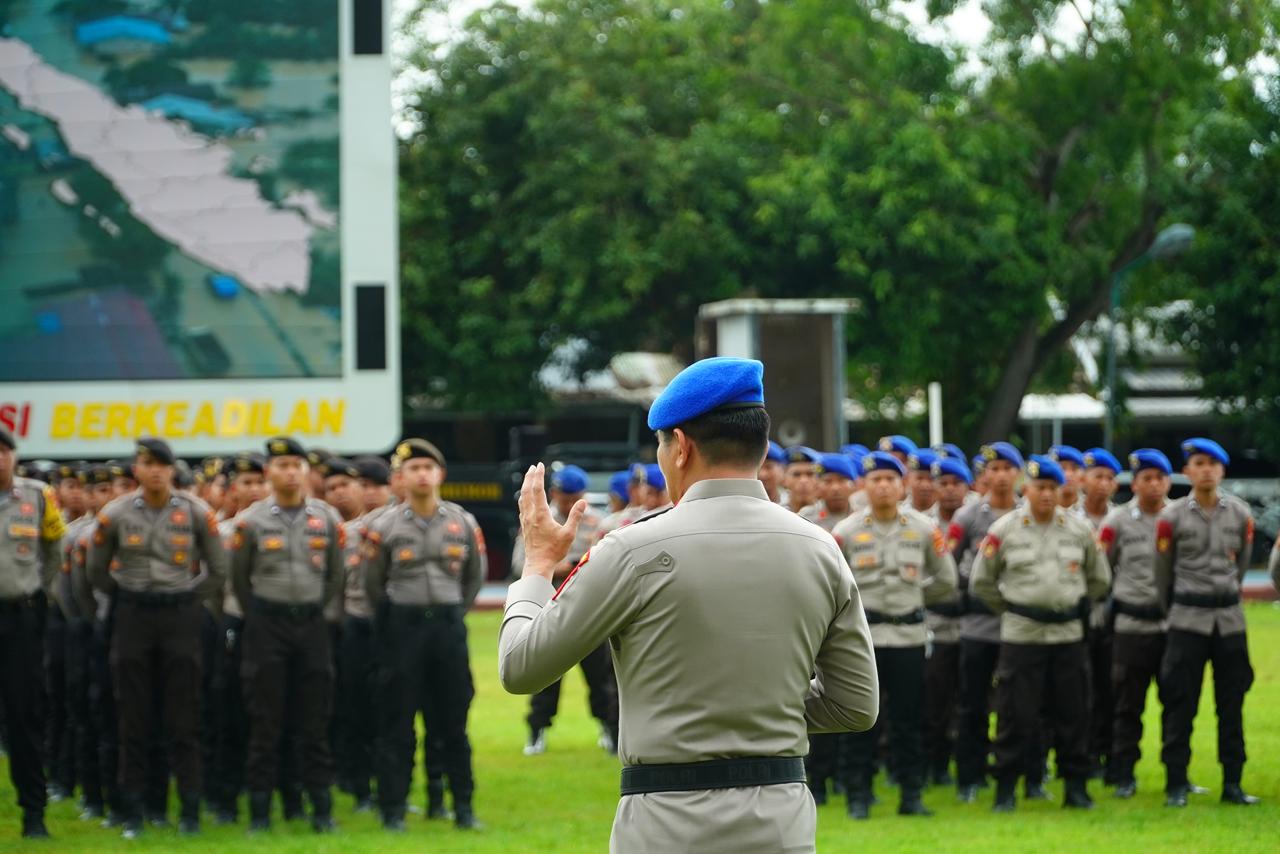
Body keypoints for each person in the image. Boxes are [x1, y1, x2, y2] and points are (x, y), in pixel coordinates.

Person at [499, 357, 878, 854]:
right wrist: (759, 706)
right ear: (761, 445)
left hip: (665, 820)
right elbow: (855, 705)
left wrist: (537, 566)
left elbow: (520, 667)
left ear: (680, 446)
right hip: (780, 821)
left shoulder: (631, 549)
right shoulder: (821, 548)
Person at [86, 438, 227, 838]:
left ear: (171, 470)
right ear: (137, 469)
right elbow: (96, 570)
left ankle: (189, 812)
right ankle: (134, 810)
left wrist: (187, 597)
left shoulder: (195, 511)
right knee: (133, 716)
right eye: (147, 464)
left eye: (162, 465)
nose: (155, 471)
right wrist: (125, 597)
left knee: (184, 717)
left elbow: (218, 568)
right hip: (133, 615)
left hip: (179, 614)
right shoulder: (115, 513)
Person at [969, 455, 1111, 812]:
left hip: (1067, 636)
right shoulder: (1005, 529)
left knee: (1073, 713)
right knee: (1014, 714)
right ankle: (1006, 788)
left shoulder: (1079, 529)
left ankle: (1076, 788)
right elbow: (981, 582)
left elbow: (1100, 579)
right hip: (1022, 637)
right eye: (1040, 488)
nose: (1046, 494)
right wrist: (1013, 609)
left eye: (1052, 488)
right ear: (1026, 490)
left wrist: (1072, 604)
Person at [366, 439, 487, 831]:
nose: (422, 475)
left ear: (441, 475)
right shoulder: (383, 526)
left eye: (428, 468)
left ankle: (461, 806)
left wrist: (451, 611)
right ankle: (393, 808)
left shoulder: (462, 522)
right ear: (400, 478)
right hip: (403, 628)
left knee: (452, 723)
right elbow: (372, 584)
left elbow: (473, 578)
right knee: (396, 723)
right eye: (413, 469)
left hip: (447, 626)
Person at [834, 451, 957, 820]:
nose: (884, 486)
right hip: (865, 639)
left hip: (908, 638)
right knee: (861, 720)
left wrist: (915, 599)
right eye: (876, 480)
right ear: (864, 486)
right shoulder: (846, 532)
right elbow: (832, 584)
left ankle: (911, 795)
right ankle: (858, 796)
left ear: (902, 485)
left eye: (890, 479)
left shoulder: (923, 528)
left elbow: (946, 579)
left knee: (908, 720)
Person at [230, 437, 344, 833]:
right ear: (269, 472)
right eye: (282, 465)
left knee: (314, 720)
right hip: (267, 624)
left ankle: (320, 810)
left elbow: (334, 575)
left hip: (310, 623)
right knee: (265, 721)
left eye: (297, 465)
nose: (291, 472)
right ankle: (261, 813)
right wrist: (262, 612)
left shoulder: (326, 517)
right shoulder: (251, 521)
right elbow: (240, 579)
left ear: (305, 471)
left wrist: (311, 606)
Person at [1155, 438, 1260, 807]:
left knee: (1231, 702)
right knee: (1180, 702)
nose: (1206, 470)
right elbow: (1162, 574)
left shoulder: (1241, 514)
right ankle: (1176, 783)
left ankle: (1233, 783)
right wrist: (1173, 609)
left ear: (1222, 471)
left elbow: (1241, 566)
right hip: (1187, 618)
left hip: (1229, 620)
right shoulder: (1172, 517)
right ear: (1187, 471)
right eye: (1198, 463)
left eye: (1212, 464)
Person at [510, 465, 616, 757]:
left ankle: (610, 730)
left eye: (575, 497)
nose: (569, 503)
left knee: (601, 678)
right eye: (564, 497)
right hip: (549, 607)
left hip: (590, 611)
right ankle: (536, 732)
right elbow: (519, 563)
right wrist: (562, 567)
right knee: (545, 677)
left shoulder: (599, 522)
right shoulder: (538, 520)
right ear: (554, 493)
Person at [0, 425, 66, 839]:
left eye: (4, 451)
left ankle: (34, 814)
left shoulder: (38, 496)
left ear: (15, 457)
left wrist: (41, 592)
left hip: (19, 616)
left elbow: (54, 549)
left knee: (24, 715)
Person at [949, 442, 1023, 803]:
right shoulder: (968, 517)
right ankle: (970, 776)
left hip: (1019, 625)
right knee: (973, 704)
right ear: (984, 475)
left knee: (1019, 704)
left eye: (1008, 469)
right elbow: (948, 563)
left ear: (1018, 474)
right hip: (977, 624)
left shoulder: (1027, 513)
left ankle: (1024, 773)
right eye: (994, 469)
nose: (1001, 476)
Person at [1097, 449, 1172, 799]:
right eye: (1146, 478)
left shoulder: (1177, 518)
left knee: (1177, 704)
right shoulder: (1117, 522)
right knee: (1127, 705)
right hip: (1130, 626)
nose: (1153, 484)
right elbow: (1101, 570)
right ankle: (1124, 773)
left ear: (1168, 482)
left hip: (1170, 626)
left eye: (1159, 478)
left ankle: (1177, 777)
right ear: (1135, 483)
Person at [922, 455, 973, 786]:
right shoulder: (923, 525)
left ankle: (969, 761)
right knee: (936, 700)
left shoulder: (978, 521)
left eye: (957, 484)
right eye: (944, 484)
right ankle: (936, 763)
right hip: (936, 624)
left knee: (970, 699)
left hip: (972, 622)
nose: (951, 490)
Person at [1080, 447, 1122, 781]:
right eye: (1098, 476)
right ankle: (1084, 755)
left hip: (1113, 617)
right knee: (1081, 691)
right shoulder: (1070, 519)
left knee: (1112, 690)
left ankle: (1109, 754)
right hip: (1078, 617)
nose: (1103, 483)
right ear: (1083, 479)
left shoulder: (1120, 520)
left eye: (1110, 478)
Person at [783, 446, 821, 514]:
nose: (803, 481)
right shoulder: (776, 513)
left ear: (819, 480)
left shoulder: (829, 513)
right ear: (784, 479)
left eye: (810, 474)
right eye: (796, 474)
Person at [1047, 445, 1086, 511]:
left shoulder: (1091, 507)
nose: (1068, 474)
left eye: (1074, 469)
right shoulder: (1039, 507)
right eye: (1062, 468)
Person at [759, 441, 788, 505]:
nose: (762, 474)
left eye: (768, 467)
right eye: (758, 468)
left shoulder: (791, 504)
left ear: (782, 470)